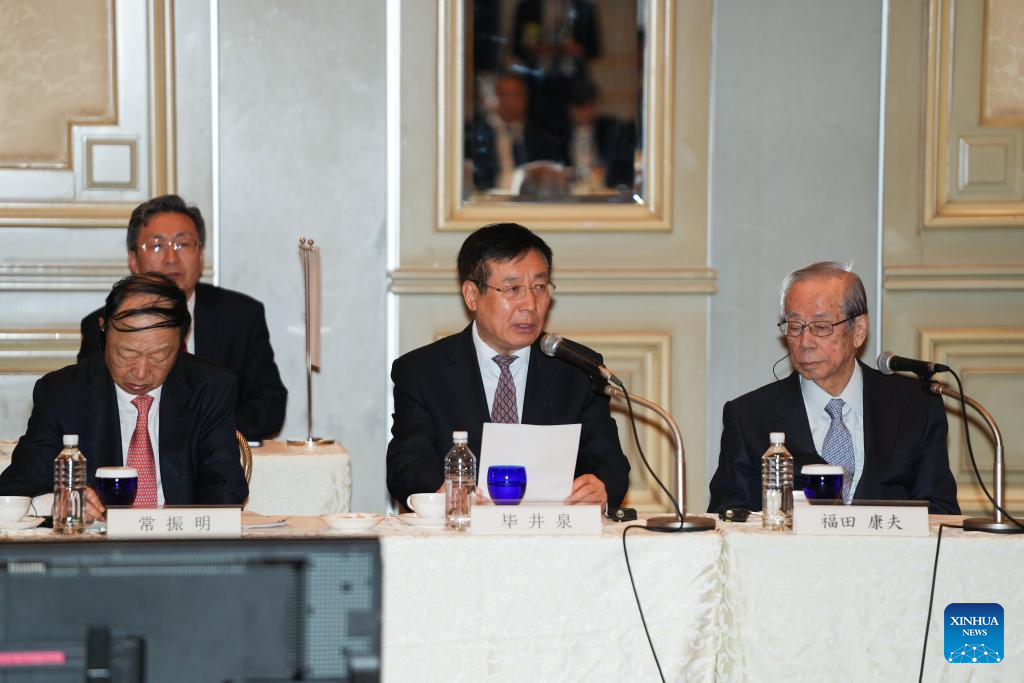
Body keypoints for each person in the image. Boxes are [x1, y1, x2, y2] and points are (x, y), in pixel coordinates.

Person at [387, 222, 630, 509]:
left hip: (551, 531)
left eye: (539, 287)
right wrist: (445, 493)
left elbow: (610, 463)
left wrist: (601, 487)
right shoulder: (422, 372)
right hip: (461, 530)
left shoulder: (577, 369)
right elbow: (407, 464)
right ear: (472, 295)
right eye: (513, 289)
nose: (530, 304)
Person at [708, 261, 960, 515]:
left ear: (859, 330)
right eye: (795, 327)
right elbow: (727, 515)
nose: (805, 342)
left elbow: (940, 513)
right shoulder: (749, 418)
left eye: (821, 327)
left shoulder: (916, 407)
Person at [0, 273, 248, 520]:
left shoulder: (209, 388)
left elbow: (224, 489)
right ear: (103, 330)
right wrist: (58, 502)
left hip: (179, 538)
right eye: (126, 354)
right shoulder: (63, 393)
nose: (140, 372)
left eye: (159, 356)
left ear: (181, 340)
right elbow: (15, 489)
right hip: (96, 542)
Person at [78, 194, 287, 441]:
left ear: (201, 255)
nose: (171, 258)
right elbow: (91, 405)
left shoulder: (241, 316)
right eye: (157, 245)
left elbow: (269, 407)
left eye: (183, 244)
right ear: (133, 260)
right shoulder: (107, 324)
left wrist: (199, 431)